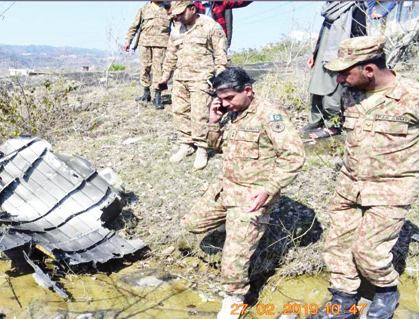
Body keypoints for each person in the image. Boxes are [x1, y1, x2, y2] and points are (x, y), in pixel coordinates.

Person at [307, 36, 419, 319]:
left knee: (368, 250)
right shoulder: (351, 94)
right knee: (337, 245)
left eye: (345, 72)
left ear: (368, 70)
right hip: (350, 184)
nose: (340, 79)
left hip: (391, 187)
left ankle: (385, 290)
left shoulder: (414, 96)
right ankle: (344, 298)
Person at [180, 67, 305, 318]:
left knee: (233, 257)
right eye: (220, 98)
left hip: (252, 195)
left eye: (229, 98)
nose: (224, 103)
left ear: (247, 91)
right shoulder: (231, 113)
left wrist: (268, 190)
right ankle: (234, 229)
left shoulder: (270, 116)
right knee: (192, 224)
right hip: (227, 187)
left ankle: (234, 298)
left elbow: (294, 157)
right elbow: (217, 148)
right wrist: (214, 122)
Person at [157, 1, 227, 170]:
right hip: (181, 78)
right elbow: (171, 56)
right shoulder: (176, 30)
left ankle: (202, 148)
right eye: (176, 14)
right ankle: (186, 144)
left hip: (201, 78)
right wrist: (165, 77)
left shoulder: (210, 26)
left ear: (192, 9)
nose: (178, 17)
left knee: (199, 114)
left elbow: (220, 54)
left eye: (181, 13)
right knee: (179, 111)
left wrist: (219, 78)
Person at [301, 1, 367, 140]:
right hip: (323, 53)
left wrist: (350, 59)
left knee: (332, 90)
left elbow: (359, 35)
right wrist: (315, 53)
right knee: (317, 86)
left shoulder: (355, 6)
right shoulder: (330, 9)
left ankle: (332, 126)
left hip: (339, 55)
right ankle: (315, 122)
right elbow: (323, 32)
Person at [124, 1, 171, 109]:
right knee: (145, 68)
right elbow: (134, 26)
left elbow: (178, 23)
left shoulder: (168, 8)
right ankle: (146, 93)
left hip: (161, 44)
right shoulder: (144, 9)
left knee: (158, 69)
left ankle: (158, 95)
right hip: (145, 43)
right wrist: (128, 41)